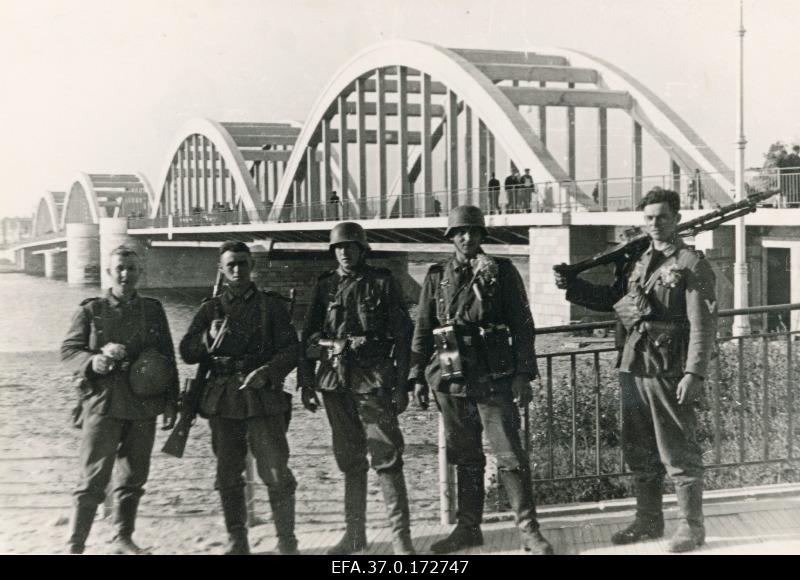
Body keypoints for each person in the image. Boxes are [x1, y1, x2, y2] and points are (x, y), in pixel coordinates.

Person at [554, 187, 717, 553]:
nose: (655, 224)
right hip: (633, 365)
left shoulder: (690, 264)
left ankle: (692, 528)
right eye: (649, 218)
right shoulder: (639, 261)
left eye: (662, 217)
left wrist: (694, 374)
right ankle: (648, 520)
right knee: (638, 448)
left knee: (677, 451)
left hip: (668, 369)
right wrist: (573, 286)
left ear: (676, 219)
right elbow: (615, 302)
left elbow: (702, 324)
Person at [409, 205, 553, 555]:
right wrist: (415, 376)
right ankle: (468, 528)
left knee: (510, 455)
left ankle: (529, 530)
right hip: (451, 375)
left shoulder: (501, 272)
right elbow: (423, 328)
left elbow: (522, 325)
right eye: (460, 232)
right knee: (466, 456)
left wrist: (522, 374)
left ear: (482, 236)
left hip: (494, 376)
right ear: (451, 237)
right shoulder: (437, 276)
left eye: (474, 231)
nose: (467, 237)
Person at [298, 222, 415, 555]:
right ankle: (354, 536)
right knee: (349, 460)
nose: (345, 253)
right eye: (339, 248)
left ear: (363, 250)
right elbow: (307, 337)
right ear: (333, 252)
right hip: (335, 384)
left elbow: (404, 337)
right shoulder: (325, 287)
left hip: (374, 382)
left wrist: (403, 385)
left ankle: (401, 540)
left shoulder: (382, 283)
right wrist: (307, 381)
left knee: (387, 458)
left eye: (351, 247)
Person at [179, 241, 300, 555]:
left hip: (262, 396)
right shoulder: (210, 309)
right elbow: (187, 352)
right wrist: (208, 337)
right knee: (228, 474)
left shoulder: (271, 306)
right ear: (221, 269)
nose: (237, 270)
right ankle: (238, 542)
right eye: (230, 264)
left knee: (276, 472)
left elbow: (291, 350)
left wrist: (268, 372)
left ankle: (287, 543)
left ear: (252, 267)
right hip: (223, 400)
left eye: (243, 263)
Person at [61, 245, 179, 555]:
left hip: (143, 403)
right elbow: (69, 351)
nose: (126, 274)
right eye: (120, 268)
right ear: (109, 272)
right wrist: (93, 361)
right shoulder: (91, 310)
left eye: (132, 268)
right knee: (92, 478)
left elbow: (167, 356)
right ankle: (76, 545)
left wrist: (171, 401)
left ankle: (123, 537)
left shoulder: (153, 309)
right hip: (103, 403)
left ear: (140, 273)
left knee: (133, 476)